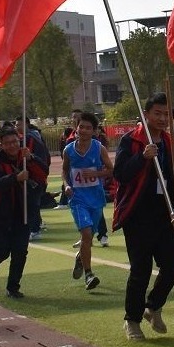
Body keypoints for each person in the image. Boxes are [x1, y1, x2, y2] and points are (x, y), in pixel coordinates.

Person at [114, 93, 174, 341]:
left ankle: (152, 306)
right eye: (158, 113)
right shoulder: (131, 141)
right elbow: (120, 174)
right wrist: (142, 157)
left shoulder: (170, 143)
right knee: (141, 270)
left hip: (164, 212)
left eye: (167, 114)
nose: (163, 118)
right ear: (146, 114)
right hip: (138, 214)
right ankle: (131, 320)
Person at [0, 125, 48, 299]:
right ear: (1, 145)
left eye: (15, 142)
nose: (12, 146)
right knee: (3, 249)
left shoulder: (27, 158)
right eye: (7, 143)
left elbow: (43, 173)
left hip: (24, 212)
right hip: (1, 214)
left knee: (20, 251)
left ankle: (13, 287)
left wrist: (32, 159)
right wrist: (15, 178)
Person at [62, 111, 113, 291]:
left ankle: (80, 257)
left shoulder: (99, 148)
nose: (83, 130)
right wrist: (67, 185)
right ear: (76, 128)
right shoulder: (68, 150)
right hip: (77, 199)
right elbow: (64, 171)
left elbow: (110, 169)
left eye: (88, 128)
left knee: (89, 237)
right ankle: (89, 274)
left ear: (94, 131)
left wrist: (96, 174)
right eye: (81, 127)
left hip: (96, 198)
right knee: (86, 234)